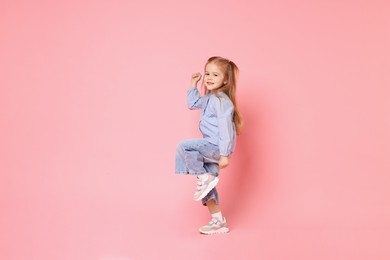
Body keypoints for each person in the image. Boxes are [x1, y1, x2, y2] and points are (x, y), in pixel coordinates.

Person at [175, 56, 243, 235]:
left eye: (215, 74)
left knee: (184, 147)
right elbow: (193, 103)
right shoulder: (209, 98)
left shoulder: (221, 101)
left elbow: (226, 129)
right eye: (207, 73)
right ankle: (218, 221)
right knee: (207, 188)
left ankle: (203, 177)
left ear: (226, 80)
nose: (209, 78)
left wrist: (224, 154)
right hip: (212, 148)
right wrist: (192, 84)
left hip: (216, 147)